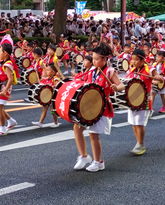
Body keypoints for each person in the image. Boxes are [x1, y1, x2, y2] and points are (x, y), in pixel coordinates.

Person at [72, 44, 124, 173]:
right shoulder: (92, 71)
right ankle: (84, 156)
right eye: (93, 59)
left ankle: (98, 162)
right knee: (77, 128)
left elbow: (121, 85)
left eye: (96, 59)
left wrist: (116, 88)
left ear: (105, 59)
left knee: (93, 134)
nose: (94, 61)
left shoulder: (109, 72)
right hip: (89, 105)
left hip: (101, 106)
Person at [125, 49, 154, 155]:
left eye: (136, 60)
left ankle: (140, 144)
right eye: (132, 60)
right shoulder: (132, 70)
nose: (133, 62)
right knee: (133, 123)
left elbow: (158, 78)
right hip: (132, 99)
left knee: (139, 123)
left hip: (144, 100)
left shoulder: (149, 69)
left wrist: (159, 78)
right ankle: (138, 143)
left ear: (143, 60)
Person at [0, 44, 18, 136]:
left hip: (4, 87)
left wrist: (5, 90)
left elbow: (10, 79)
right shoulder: (1, 62)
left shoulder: (8, 64)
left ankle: (2, 128)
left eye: (0, 52)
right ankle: (11, 121)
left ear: (6, 53)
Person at [32, 64, 61, 128]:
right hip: (47, 98)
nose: (46, 71)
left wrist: (55, 86)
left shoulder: (55, 78)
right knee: (45, 110)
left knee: (53, 111)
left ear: (53, 72)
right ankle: (40, 122)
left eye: (48, 70)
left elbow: (58, 85)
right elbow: (41, 84)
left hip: (53, 97)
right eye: (46, 70)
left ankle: (56, 122)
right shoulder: (47, 79)